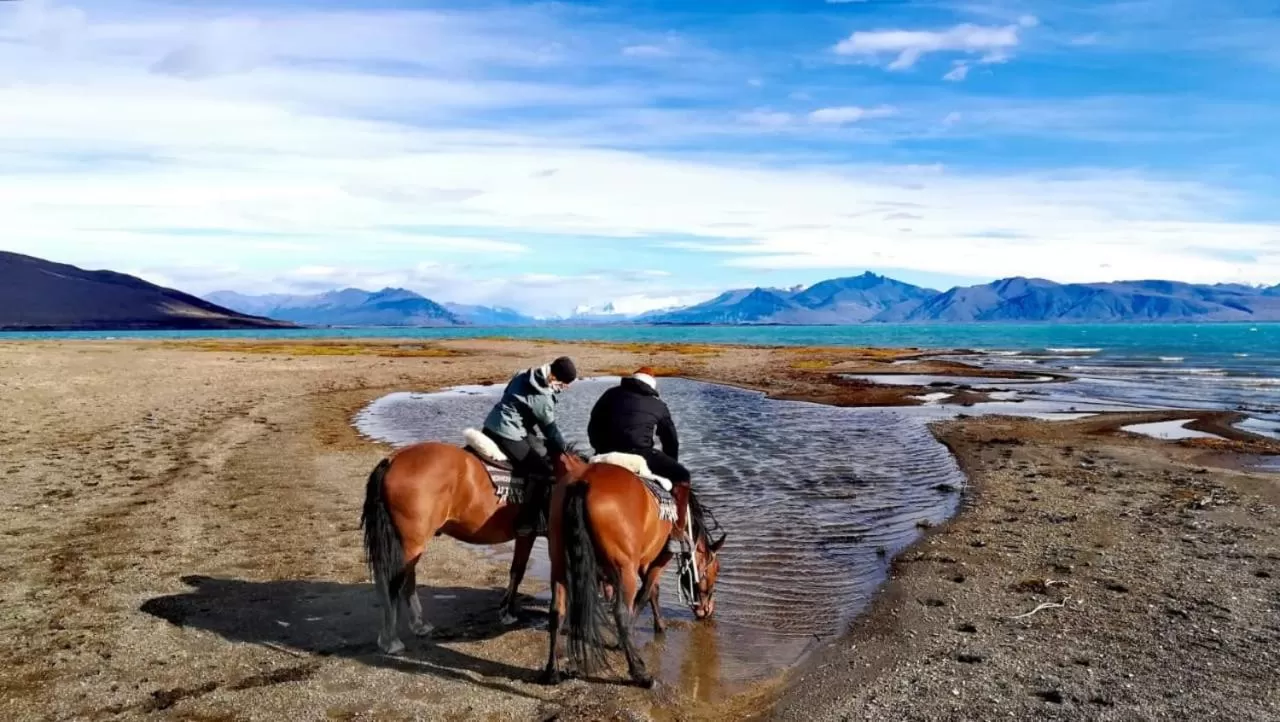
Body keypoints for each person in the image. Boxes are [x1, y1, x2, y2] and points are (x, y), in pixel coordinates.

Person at [587, 367, 693, 552]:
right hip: (640, 454)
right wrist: (670, 462)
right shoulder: (658, 404)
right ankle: (677, 530)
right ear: (651, 384)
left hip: (605, 452)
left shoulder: (610, 394)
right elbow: (671, 440)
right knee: (683, 475)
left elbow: (593, 424)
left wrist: (599, 447)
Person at [482, 356, 578, 536]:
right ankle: (526, 521)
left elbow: (510, 397)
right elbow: (551, 431)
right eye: (565, 384)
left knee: (541, 449)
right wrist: (564, 450)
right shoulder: (543, 398)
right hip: (507, 433)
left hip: (493, 424)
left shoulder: (522, 374)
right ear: (556, 379)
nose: (566, 388)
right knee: (542, 472)